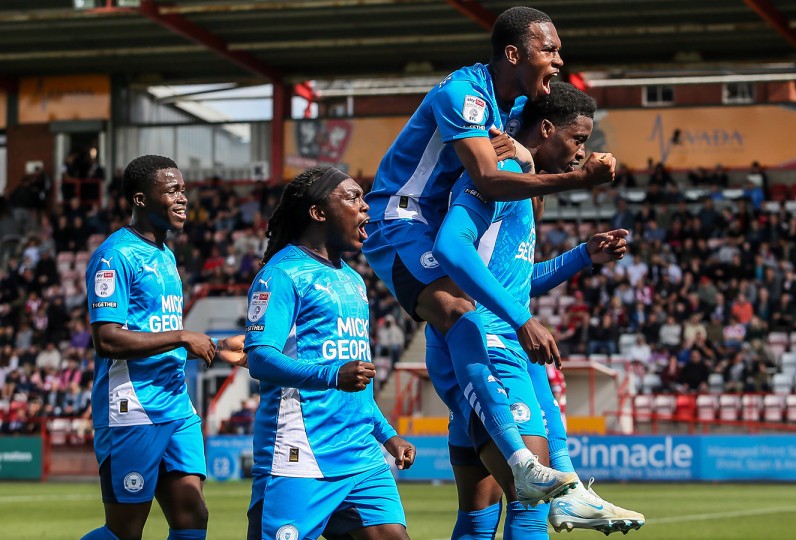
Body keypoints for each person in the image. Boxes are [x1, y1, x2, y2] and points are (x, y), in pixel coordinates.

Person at [363, 5, 614, 501]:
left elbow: (532, 147)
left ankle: (547, 468)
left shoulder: (512, 108)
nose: (560, 60)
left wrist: (541, 154)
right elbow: (486, 178)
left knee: (473, 308)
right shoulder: (464, 94)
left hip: (434, 221)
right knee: (460, 309)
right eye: (550, 49)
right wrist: (576, 180)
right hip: (401, 219)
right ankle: (522, 461)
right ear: (514, 53)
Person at [431, 82, 643, 536]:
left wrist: (583, 255)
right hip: (484, 343)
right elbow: (452, 246)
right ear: (546, 129)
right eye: (577, 140)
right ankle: (572, 502)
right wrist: (520, 319)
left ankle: (572, 500)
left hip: (492, 342)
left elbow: (516, 283)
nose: (581, 154)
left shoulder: (524, 188)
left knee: (479, 509)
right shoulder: (498, 169)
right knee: (533, 497)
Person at [243, 167, 416, 540]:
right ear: (319, 213)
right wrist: (331, 374)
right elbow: (258, 358)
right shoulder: (282, 275)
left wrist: (386, 435)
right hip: (301, 452)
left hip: (360, 456)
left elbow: (359, 383)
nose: (366, 207)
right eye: (353, 198)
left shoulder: (352, 279)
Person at [81, 155, 245, 540]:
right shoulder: (115, 255)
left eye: (184, 190)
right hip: (132, 407)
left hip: (175, 403)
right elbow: (106, 339)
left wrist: (215, 345)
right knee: (125, 530)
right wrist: (182, 336)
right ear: (140, 199)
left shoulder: (166, 256)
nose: (182, 198)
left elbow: (158, 332)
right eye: (172, 190)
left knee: (192, 514)